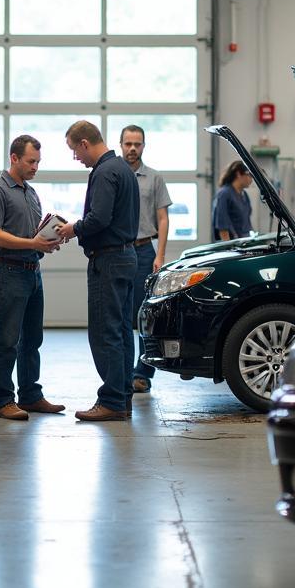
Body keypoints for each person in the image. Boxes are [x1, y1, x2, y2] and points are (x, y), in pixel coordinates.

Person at [58, 121, 139, 422]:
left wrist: (71, 229)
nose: (76, 158)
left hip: (108, 260)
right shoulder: (124, 169)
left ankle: (112, 401)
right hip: (126, 256)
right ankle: (123, 397)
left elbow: (100, 218)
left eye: (74, 151)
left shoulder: (104, 172)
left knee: (105, 333)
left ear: (84, 143)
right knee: (121, 332)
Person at [0, 135, 64, 421]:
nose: (35, 167)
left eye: (38, 162)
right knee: (6, 340)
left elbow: (31, 236)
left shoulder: (30, 193)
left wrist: (48, 239)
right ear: (14, 158)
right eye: (31, 161)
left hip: (32, 273)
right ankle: (3, 400)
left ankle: (30, 395)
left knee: (32, 339)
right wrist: (32, 244)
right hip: (9, 272)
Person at [119, 125, 171, 395]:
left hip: (144, 252)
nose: (132, 149)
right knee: (121, 314)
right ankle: (122, 371)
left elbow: (163, 218)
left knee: (143, 315)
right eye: (128, 143)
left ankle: (142, 374)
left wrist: (160, 255)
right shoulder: (113, 175)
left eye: (137, 144)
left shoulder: (154, 178)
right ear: (120, 145)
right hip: (118, 250)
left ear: (144, 146)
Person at [212, 160, 254, 241]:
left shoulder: (244, 195)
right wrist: (229, 250)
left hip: (244, 244)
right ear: (238, 174)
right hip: (231, 247)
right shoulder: (224, 194)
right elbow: (222, 229)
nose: (251, 180)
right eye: (249, 175)